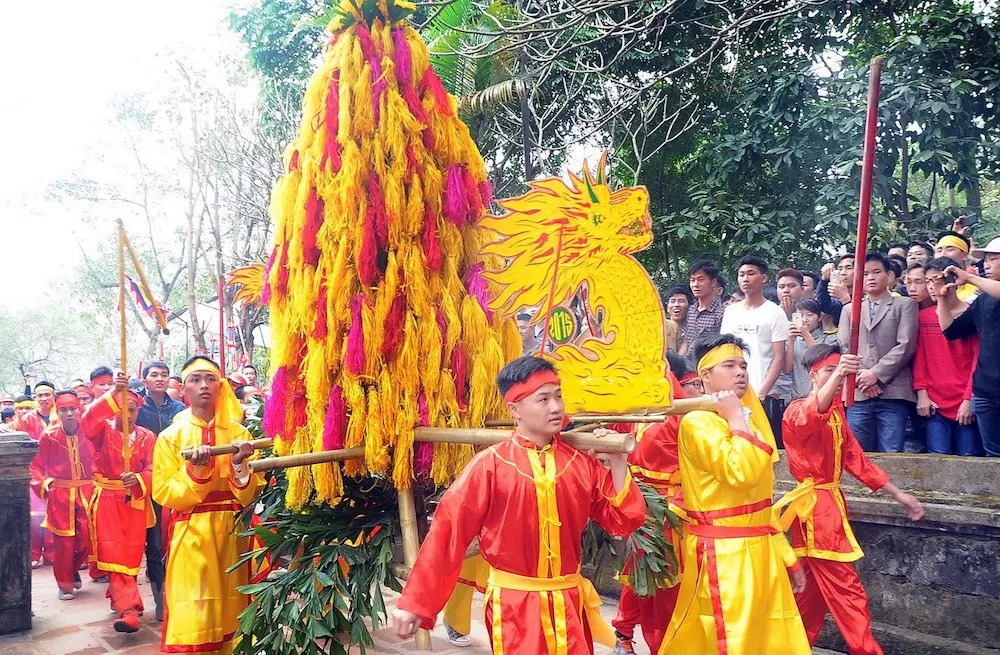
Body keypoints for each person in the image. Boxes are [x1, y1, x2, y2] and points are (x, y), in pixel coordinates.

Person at [393, 356, 646, 653]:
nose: (555, 407)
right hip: (514, 607)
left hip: (568, 602)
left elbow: (625, 521)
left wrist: (617, 464)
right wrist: (416, 603)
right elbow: (448, 535)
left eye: (558, 396)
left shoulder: (580, 463)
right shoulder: (490, 466)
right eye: (543, 399)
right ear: (515, 409)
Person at [660, 334, 809, 655]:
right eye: (729, 365)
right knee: (730, 638)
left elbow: (761, 501)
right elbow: (740, 473)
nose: (740, 371)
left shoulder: (742, 421)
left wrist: (787, 557)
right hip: (724, 552)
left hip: (761, 549)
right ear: (705, 376)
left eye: (743, 365)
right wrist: (736, 417)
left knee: (771, 635)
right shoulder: (698, 423)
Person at [777, 344, 925, 653]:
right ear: (813, 375)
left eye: (839, 371)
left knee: (809, 596)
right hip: (816, 511)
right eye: (829, 371)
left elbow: (856, 459)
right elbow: (811, 413)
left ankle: (788, 647)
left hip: (828, 507)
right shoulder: (796, 409)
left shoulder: (836, 414)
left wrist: (900, 495)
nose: (837, 376)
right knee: (849, 594)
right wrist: (838, 374)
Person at [153, 356, 265, 654]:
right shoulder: (170, 437)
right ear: (184, 388)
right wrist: (198, 472)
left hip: (234, 532)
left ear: (220, 385)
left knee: (235, 603)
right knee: (195, 607)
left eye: (211, 379)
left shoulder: (240, 435)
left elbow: (250, 493)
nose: (204, 385)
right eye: (195, 379)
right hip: (192, 530)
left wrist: (240, 464)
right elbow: (163, 491)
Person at [612, 353, 690, 655]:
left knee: (660, 578)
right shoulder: (637, 407)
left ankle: (650, 639)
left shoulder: (681, 412)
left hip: (671, 508)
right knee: (640, 573)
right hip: (640, 502)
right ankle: (626, 634)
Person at [79, 374, 156, 633]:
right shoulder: (103, 432)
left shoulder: (148, 437)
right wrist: (113, 392)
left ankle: (120, 597)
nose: (128, 415)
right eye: (121, 410)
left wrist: (138, 478)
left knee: (131, 556)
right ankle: (130, 610)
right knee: (114, 553)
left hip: (134, 501)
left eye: (132, 410)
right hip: (107, 501)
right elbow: (88, 420)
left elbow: (155, 468)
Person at [838, 253, 919, 452]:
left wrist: (875, 375)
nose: (871, 277)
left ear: (889, 275)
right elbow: (845, 346)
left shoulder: (905, 305)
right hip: (858, 392)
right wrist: (862, 376)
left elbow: (906, 345)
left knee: (892, 453)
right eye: (865, 274)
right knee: (858, 454)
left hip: (892, 391)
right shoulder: (849, 310)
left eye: (876, 272)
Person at [28, 390, 95, 600]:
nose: (69, 414)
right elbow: (35, 466)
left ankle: (74, 569)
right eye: (64, 410)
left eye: (73, 409)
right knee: (64, 542)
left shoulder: (91, 432)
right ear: (58, 412)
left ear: (80, 409)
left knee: (85, 537)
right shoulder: (49, 435)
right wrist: (45, 484)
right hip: (61, 493)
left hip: (87, 491)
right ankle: (64, 584)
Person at [936, 243, 1000, 457]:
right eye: (986, 260)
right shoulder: (983, 300)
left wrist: (970, 278)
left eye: (993, 259)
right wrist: (943, 298)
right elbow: (952, 331)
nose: (987, 264)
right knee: (993, 456)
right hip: (986, 391)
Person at [134, 361, 186, 622]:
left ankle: (172, 595)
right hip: (147, 481)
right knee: (152, 543)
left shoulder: (179, 409)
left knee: (171, 540)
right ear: (144, 381)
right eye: (154, 375)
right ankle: (157, 599)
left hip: (175, 478)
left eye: (164, 375)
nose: (160, 379)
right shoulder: (136, 408)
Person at [721, 256, 789, 444]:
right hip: (733, 392)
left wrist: (762, 391)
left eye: (751, 274)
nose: (745, 279)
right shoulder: (731, 312)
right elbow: (725, 350)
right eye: (741, 274)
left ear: (764, 278)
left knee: (763, 444)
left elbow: (779, 357)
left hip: (763, 392)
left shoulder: (774, 312)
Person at [917, 258, 981, 455]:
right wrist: (922, 393)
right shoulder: (923, 316)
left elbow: (977, 360)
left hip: (965, 399)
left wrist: (968, 399)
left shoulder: (971, 315)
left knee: (969, 458)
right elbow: (919, 357)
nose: (932, 286)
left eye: (936, 279)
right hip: (934, 400)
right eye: (927, 281)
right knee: (937, 457)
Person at [784, 298, 838, 403]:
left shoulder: (830, 338)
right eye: (800, 315)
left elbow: (822, 362)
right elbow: (787, 369)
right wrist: (790, 341)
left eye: (809, 315)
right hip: (796, 398)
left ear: (819, 318)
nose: (804, 319)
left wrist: (807, 335)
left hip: (822, 398)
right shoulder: (793, 339)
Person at [682, 260, 725, 356]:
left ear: (713, 282)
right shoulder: (691, 310)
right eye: (692, 280)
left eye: (700, 280)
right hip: (688, 366)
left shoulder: (721, 314)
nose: (695, 284)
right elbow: (685, 341)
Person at [818, 252, 856, 321]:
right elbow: (824, 305)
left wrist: (846, 299)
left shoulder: (868, 296)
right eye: (840, 268)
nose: (843, 273)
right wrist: (824, 280)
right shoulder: (837, 297)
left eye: (849, 268)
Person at [666, 285, 692, 351]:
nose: (676, 305)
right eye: (672, 301)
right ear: (667, 308)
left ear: (690, 306)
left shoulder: (693, 330)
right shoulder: (661, 329)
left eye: (681, 301)